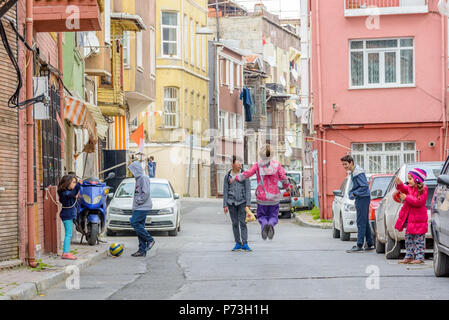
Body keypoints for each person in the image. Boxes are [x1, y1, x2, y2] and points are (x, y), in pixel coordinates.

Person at [231, 144, 291, 240]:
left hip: (261, 197)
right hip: (274, 197)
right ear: (272, 154)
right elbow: (283, 177)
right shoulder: (277, 165)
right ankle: (271, 224)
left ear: (261, 154)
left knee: (261, 216)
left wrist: (236, 177)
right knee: (273, 216)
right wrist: (287, 187)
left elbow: (248, 173)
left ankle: (264, 224)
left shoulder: (257, 165)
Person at [341, 155, 374, 252]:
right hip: (363, 198)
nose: (344, 166)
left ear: (351, 162)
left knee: (360, 222)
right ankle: (370, 243)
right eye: (343, 165)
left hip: (363, 198)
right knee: (365, 221)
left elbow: (364, 187)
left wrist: (354, 193)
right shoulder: (355, 171)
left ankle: (359, 245)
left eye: (346, 164)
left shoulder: (357, 172)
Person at [394, 168, 428, 265]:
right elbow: (403, 189)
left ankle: (419, 257)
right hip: (410, 220)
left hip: (419, 221)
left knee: (419, 240)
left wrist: (406, 197)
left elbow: (418, 202)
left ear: (417, 179)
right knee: (408, 239)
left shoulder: (423, 189)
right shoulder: (409, 188)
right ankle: (409, 256)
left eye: (410, 179)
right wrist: (399, 183)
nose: (408, 181)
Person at [223, 156, 252, 252]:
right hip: (231, 203)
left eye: (241, 162)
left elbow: (248, 189)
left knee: (243, 223)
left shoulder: (244, 174)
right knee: (235, 223)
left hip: (242, 202)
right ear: (233, 164)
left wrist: (248, 203)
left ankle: (245, 243)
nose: (240, 164)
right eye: (238, 162)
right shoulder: (228, 176)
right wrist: (225, 205)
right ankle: (238, 243)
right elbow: (225, 190)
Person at [128, 160, 155, 257]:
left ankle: (150, 239)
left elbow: (146, 193)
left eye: (132, 170)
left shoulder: (143, 178)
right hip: (139, 207)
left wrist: (139, 201)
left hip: (143, 206)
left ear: (136, 169)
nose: (131, 173)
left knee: (134, 222)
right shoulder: (138, 179)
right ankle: (142, 250)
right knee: (140, 227)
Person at [57, 174, 82, 260]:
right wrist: (78, 185)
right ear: (68, 183)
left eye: (76, 182)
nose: (75, 184)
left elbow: (73, 195)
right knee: (68, 234)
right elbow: (71, 193)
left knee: (69, 234)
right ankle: (65, 253)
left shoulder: (68, 193)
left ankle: (66, 251)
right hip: (67, 215)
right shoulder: (65, 193)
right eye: (74, 182)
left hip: (69, 214)